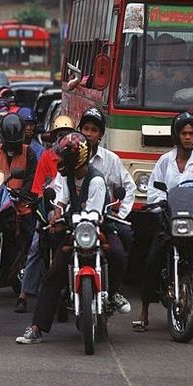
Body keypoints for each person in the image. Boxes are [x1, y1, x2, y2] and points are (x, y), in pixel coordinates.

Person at [16, 132, 129, 344]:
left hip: (97, 228)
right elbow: (60, 199)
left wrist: (70, 219)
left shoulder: (95, 180)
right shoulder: (66, 177)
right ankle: (36, 327)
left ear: (76, 158)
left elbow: (94, 214)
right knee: (53, 273)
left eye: (63, 157)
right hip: (74, 230)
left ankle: (113, 293)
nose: (58, 161)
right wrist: (56, 212)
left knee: (118, 253)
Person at [132, 112, 193, 333]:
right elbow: (154, 188)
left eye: (191, 133)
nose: (188, 137)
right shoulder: (165, 161)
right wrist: (158, 206)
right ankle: (144, 313)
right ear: (176, 136)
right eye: (184, 133)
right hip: (169, 218)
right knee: (152, 260)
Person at [76, 107, 135, 304]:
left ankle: (114, 290)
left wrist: (122, 214)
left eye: (94, 130)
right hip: (75, 221)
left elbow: (129, 187)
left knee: (121, 247)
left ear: (101, 135)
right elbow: (60, 190)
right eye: (85, 129)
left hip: (104, 221)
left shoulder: (111, 160)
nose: (89, 134)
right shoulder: (70, 155)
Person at [15, 115, 74, 313]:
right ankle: (24, 295)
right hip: (49, 208)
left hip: (71, 211)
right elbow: (38, 188)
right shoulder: (47, 157)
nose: (64, 138)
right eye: (60, 135)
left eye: (67, 134)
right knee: (35, 247)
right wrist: (47, 206)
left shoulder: (77, 157)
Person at [0, 113, 38, 292]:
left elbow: (31, 178)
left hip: (21, 204)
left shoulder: (29, 153)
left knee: (29, 237)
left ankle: (25, 271)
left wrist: (23, 194)